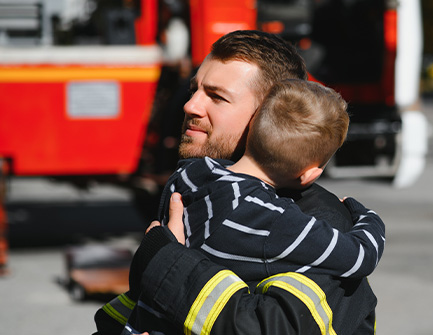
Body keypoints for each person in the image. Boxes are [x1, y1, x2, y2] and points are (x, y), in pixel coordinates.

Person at [94, 30, 379, 335]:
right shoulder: (194, 183)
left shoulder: (318, 222)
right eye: (195, 90)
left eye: (217, 96)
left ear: (268, 112)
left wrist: (166, 260)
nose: (190, 105)